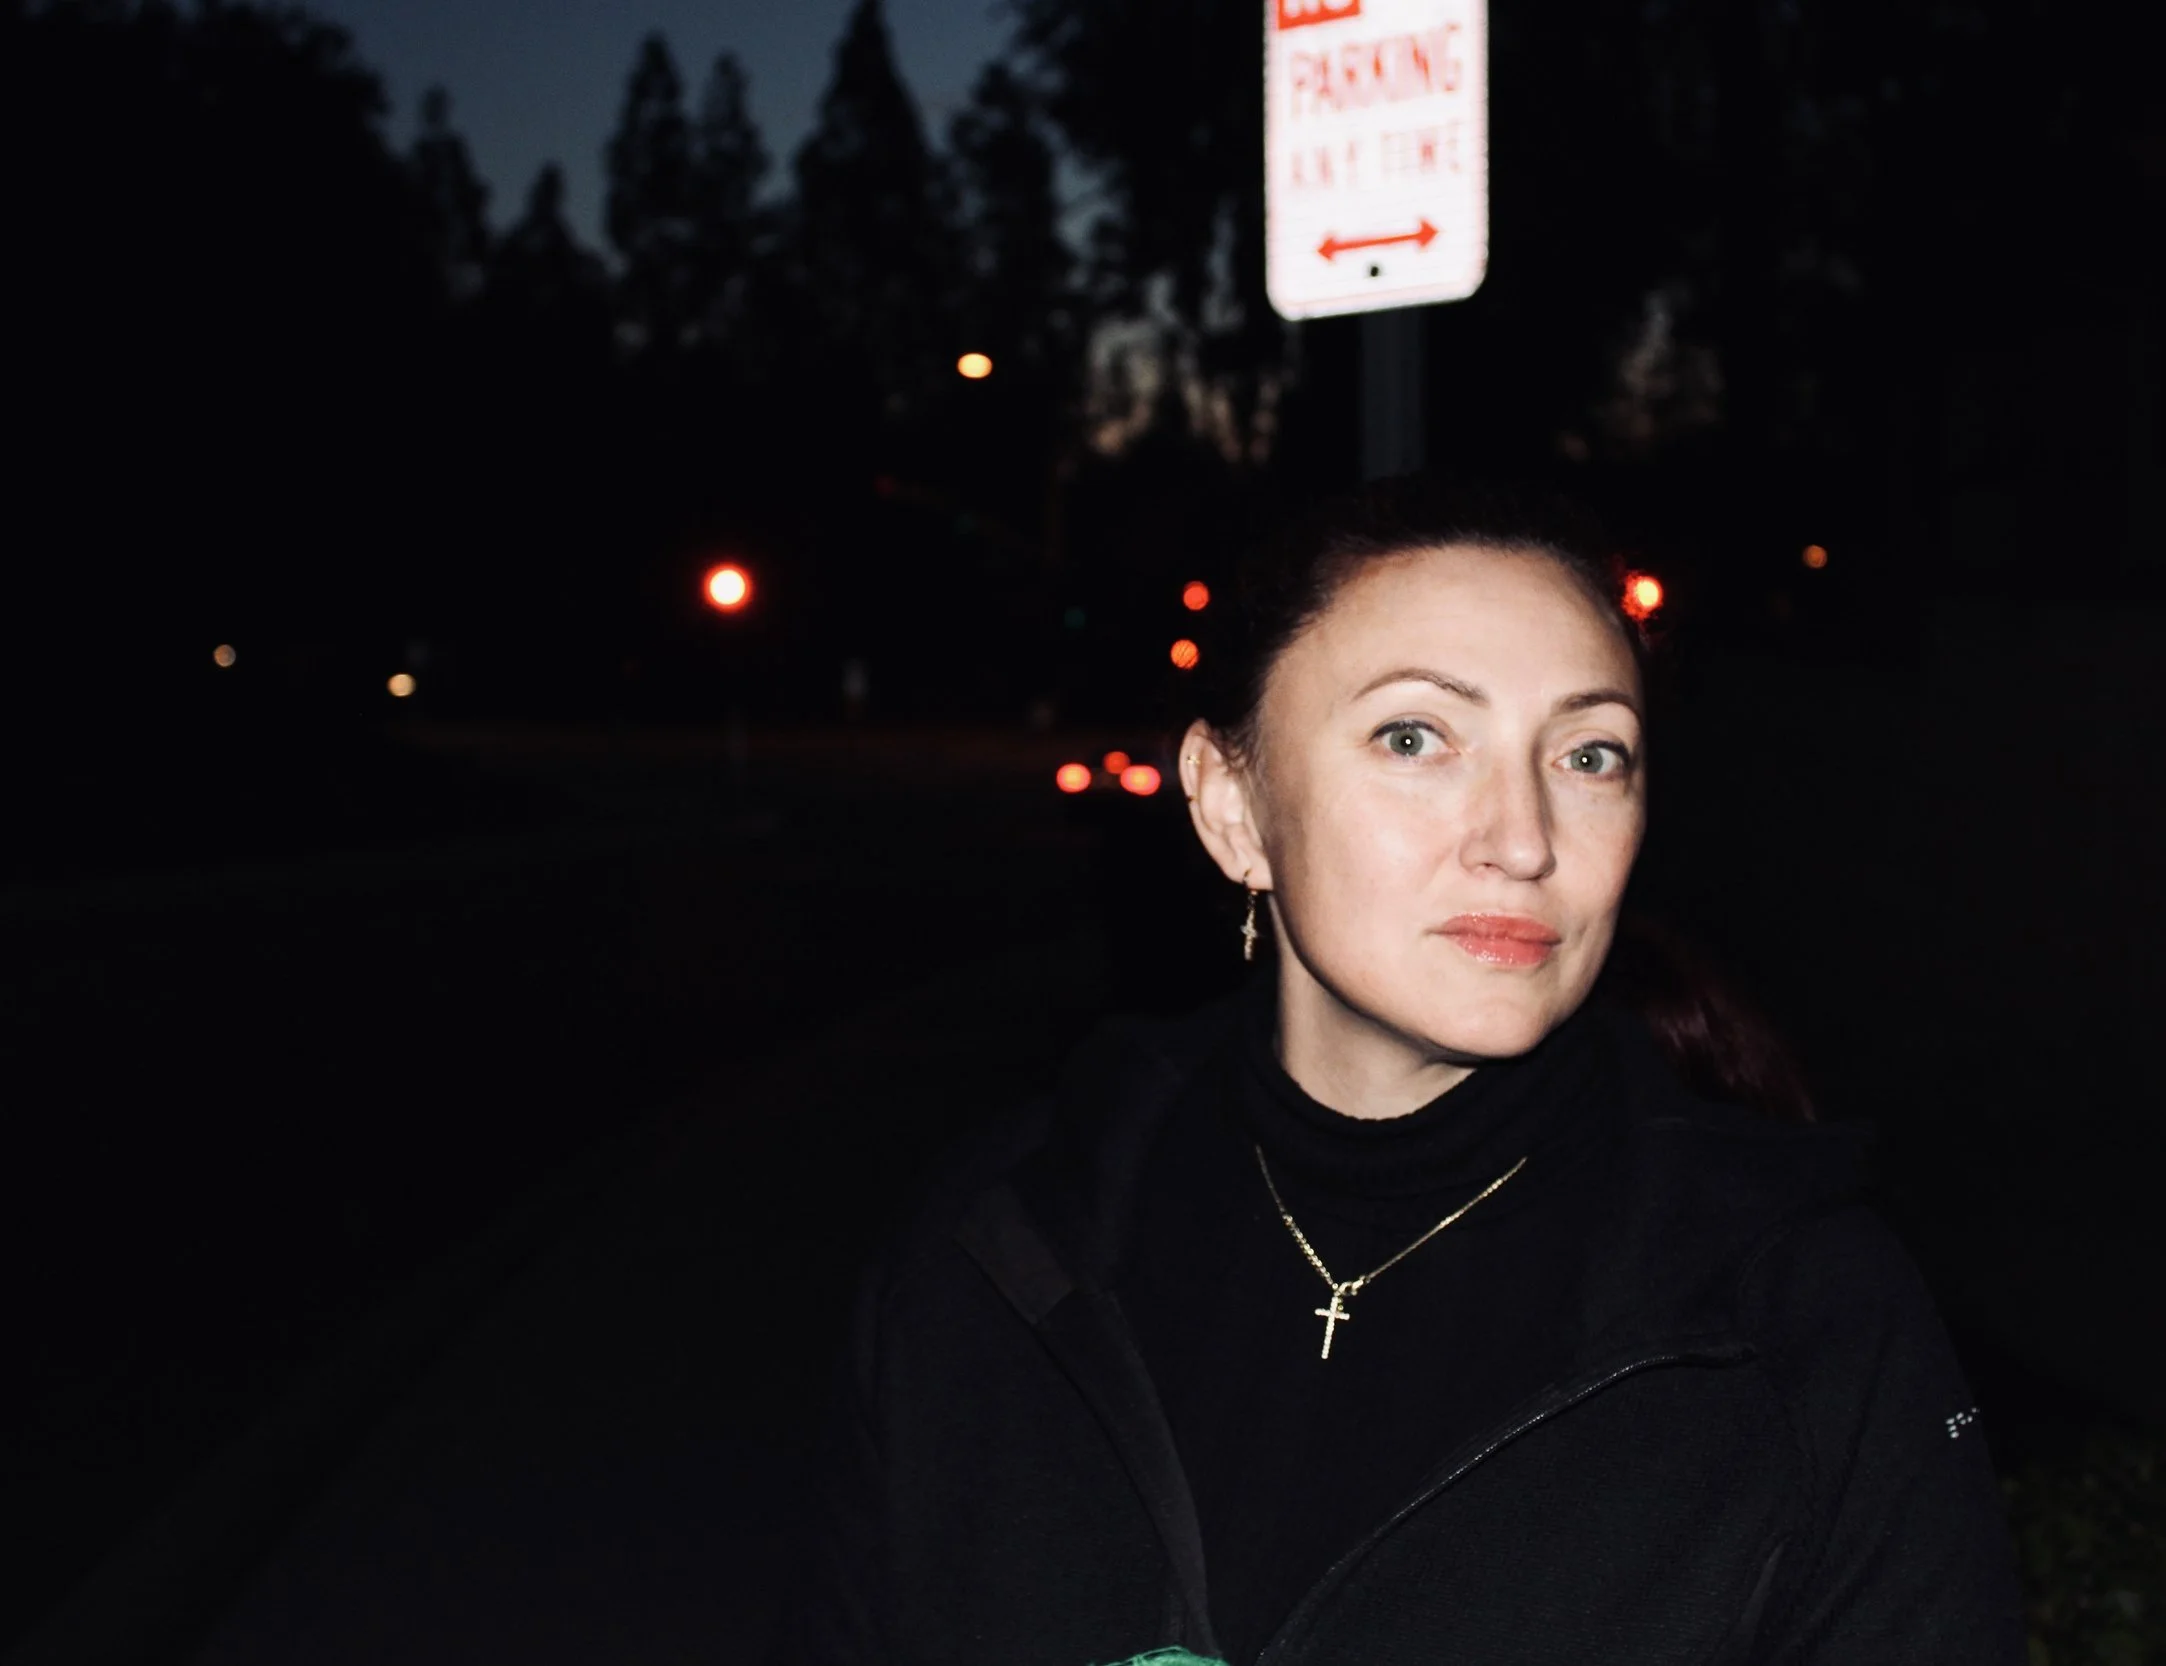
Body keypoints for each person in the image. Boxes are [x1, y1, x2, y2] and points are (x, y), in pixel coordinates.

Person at [783, 480, 2028, 1665]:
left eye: (1590, 754)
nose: (1524, 839)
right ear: (1231, 806)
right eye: (1416, 736)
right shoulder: (995, 1248)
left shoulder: (1799, 1318)